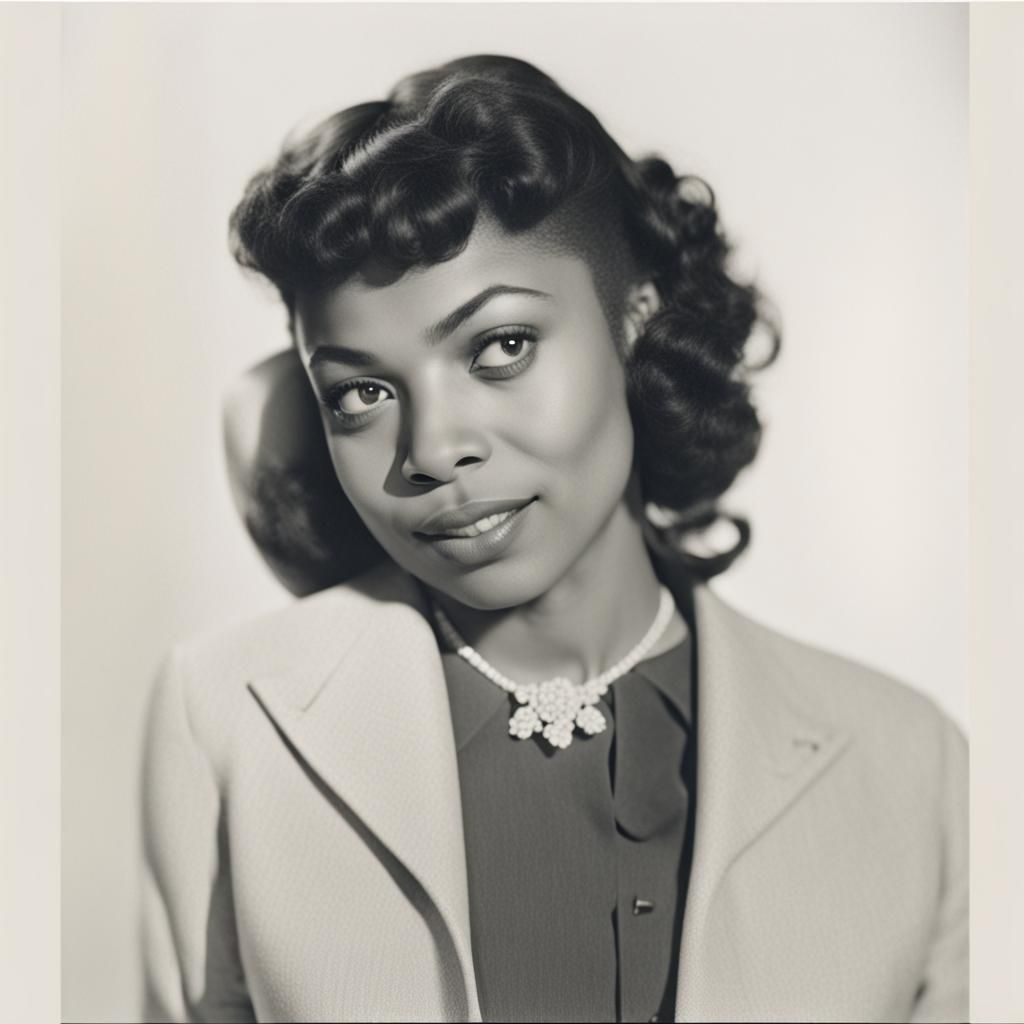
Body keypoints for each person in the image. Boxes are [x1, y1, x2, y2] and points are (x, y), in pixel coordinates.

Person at [140, 55, 968, 1023]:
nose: (435, 449)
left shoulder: (910, 763)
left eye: (500, 346)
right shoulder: (225, 717)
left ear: (634, 318)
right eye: (361, 393)